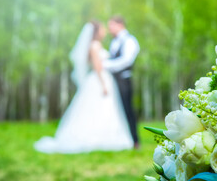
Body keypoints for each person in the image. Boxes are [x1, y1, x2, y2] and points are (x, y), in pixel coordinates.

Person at [34, 21, 133, 153]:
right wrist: (103, 84)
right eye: (103, 28)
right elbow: (98, 66)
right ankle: (100, 137)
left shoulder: (94, 45)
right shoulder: (95, 45)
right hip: (100, 79)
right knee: (100, 109)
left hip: (99, 79)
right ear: (97, 32)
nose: (105, 31)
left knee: (100, 108)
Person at [103, 16, 140, 149]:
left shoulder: (130, 40)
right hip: (112, 81)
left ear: (120, 25)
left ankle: (135, 140)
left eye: (111, 26)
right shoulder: (114, 42)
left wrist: (106, 65)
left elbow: (126, 60)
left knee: (127, 109)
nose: (109, 29)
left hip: (124, 80)